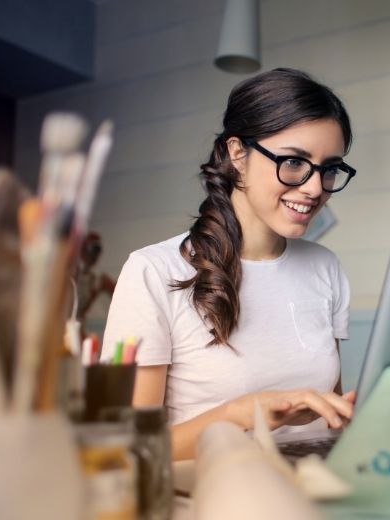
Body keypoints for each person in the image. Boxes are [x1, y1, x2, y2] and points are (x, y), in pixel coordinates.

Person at [102, 68, 357, 460]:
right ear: (238, 154)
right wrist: (241, 414)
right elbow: (130, 448)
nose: (315, 187)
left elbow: (331, 412)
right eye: (294, 162)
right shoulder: (153, 271)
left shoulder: (325, 267)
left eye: (330, 169)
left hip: (313, 487)